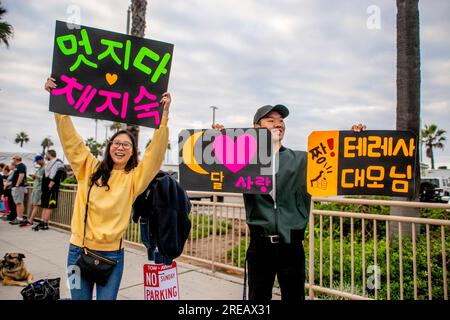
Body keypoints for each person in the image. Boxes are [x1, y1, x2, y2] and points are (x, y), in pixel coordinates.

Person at [213, 105, 366, 302]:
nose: (278, 123)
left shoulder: (302, 160)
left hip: (292, 247)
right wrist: (216, 138)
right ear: (256, 128)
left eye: (281, 120)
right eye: (270, 120)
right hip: (260, 246)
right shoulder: (244, 161)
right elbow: (216, 167)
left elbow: (339, 162)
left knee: (294, 297)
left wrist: (354, 139)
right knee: (257, 299)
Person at [45, 77, 170, 300]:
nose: (121, 147)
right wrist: (58, 101)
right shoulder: (88, 168)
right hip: (76, 252)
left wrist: (163, 117)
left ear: (132, 152)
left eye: (127, 145)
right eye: (116, 143)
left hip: (113, 255)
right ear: (109, 147)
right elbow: (71, 141)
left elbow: (155, 155)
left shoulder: (134, 179)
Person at [33, 150, 65, 231]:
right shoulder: (49, 163)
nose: (46, 156)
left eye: (47, 154)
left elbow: (60, 172)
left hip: (52, 186)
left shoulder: (58, 162)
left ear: (49, 154)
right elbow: (44, 176)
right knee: (45, 206)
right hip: (46, 187)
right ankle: (42, 222)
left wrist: (53, 182)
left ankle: (45, 224)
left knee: (49, 206)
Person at [21, 155, 45, 227]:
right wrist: (33, 177)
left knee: (35, 206)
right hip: (35, 188)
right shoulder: (39, 168)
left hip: (39, 189)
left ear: (41, 160)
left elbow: (44, 179)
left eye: (37, 161)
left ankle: (30, 221)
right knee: (32, 205)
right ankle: (29, 219)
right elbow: (37, 179)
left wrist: (36, 177)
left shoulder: (45, 168)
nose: (37, 163)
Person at [8, 155, 28, 226]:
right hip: (16, 187)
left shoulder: (21, 166)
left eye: (13, 159)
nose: (12, 160)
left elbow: (21, 175)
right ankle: (18, 217)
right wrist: (12, 164)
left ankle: (20, 218)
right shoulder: (17, 166)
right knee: (17, 203)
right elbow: (10, 168)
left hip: (18, 187)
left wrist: (17, 184)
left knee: (19, 202)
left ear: (16, 159)